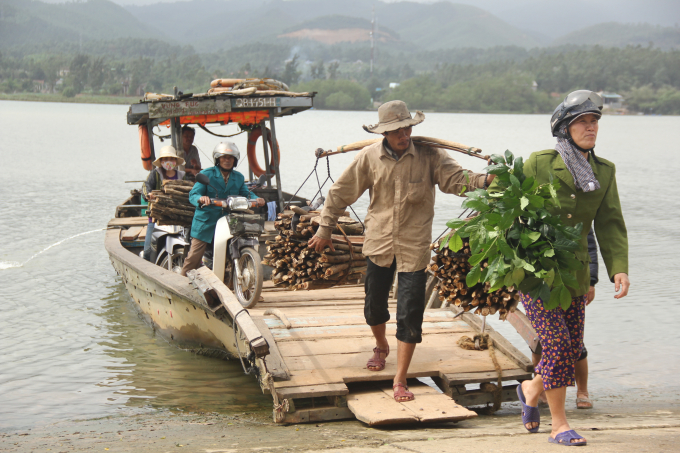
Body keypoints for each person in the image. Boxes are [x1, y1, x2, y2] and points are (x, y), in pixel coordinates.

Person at [307, 100, 495, 402]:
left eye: (407, 128)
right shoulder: (370, 157)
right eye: (396, 131)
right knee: (374, 307)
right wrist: (324, 228)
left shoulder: (429, 155)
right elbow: (340, 192)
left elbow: (457, 181)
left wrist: (486, 180)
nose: (403, 135)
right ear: (384, 132)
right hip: (379, 243)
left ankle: (400, 378)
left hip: (414, 246)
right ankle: (381, 346)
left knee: (410, 313)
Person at [515, 90, 629, 446]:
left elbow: (609, 223)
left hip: (576, 276)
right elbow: (514, 212)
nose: (591, 127)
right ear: (564, 127)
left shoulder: (603, 172)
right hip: (538, 274)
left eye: (594, 121)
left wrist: (618, 268)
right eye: (582, 121)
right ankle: (559, 425)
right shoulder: (540, 163)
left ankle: (530, 388)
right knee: (559, 347)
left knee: (571, 345)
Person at [534, 227, 598, 409]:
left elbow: (589, 249)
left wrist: (591, 281)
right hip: (541, 283)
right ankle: (541, 389)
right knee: (541, 341)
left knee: (575, 344)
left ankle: (582, 391)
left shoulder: (580, 215)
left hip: (572, 283)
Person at [180, 141, 265, 276]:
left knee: (233, 252)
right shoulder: (207, 174)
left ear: (235, 160)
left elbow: (246, 193)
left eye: (230, 157)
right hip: (206, 222)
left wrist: (256, 199)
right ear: (218, 158)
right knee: (194, 258)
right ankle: (182, 284)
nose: (227, 160)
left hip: (228, 221)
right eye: (224, 157)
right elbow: (194, 194)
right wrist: (201, 199)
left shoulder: (238, 177)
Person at [141, 145, 186, 261]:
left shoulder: (181, 175)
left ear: (175, 161)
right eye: (165, 159)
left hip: (177, 216)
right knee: (148, 251)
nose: (168, 162)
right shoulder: (155, 174)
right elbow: (146, 186)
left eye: (171, 159)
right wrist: (149, 195)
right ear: (161, 161)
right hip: (156, 217)